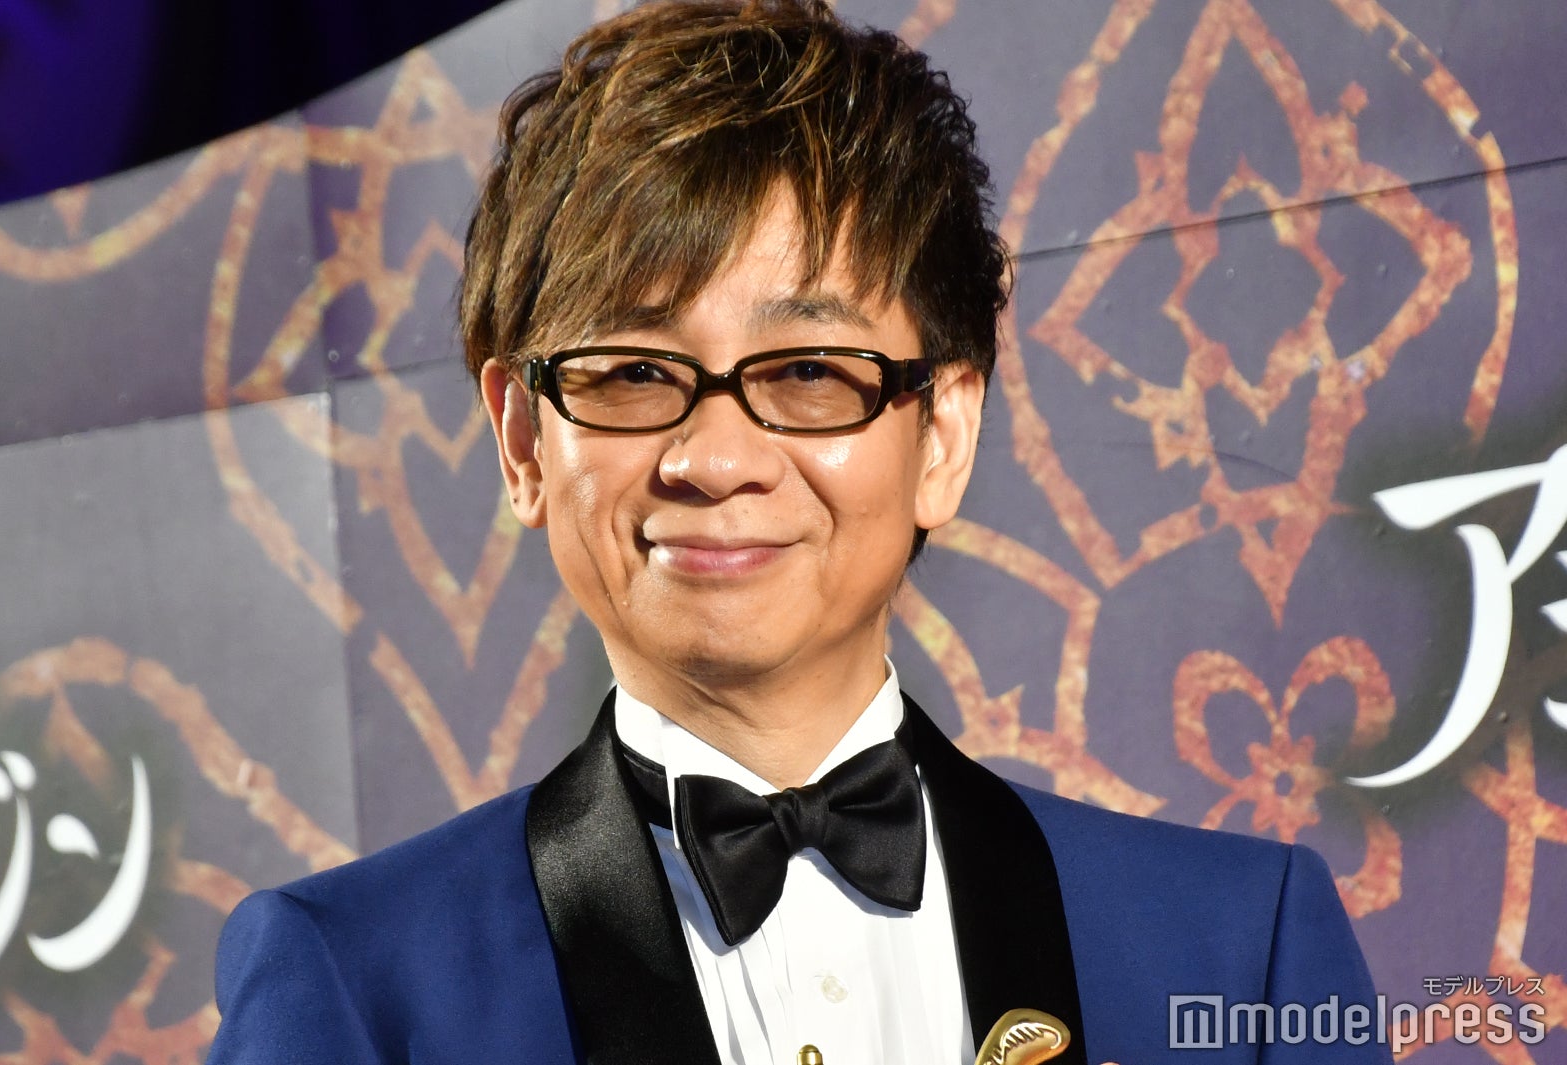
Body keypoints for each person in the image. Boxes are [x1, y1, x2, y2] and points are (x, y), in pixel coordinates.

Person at [207, 2, 1389, 1063]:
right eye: (632, 372)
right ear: (523, 442)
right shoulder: (353, 982)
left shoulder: (1238, 945)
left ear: (942, 435)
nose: (715, 459)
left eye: (810, 371)